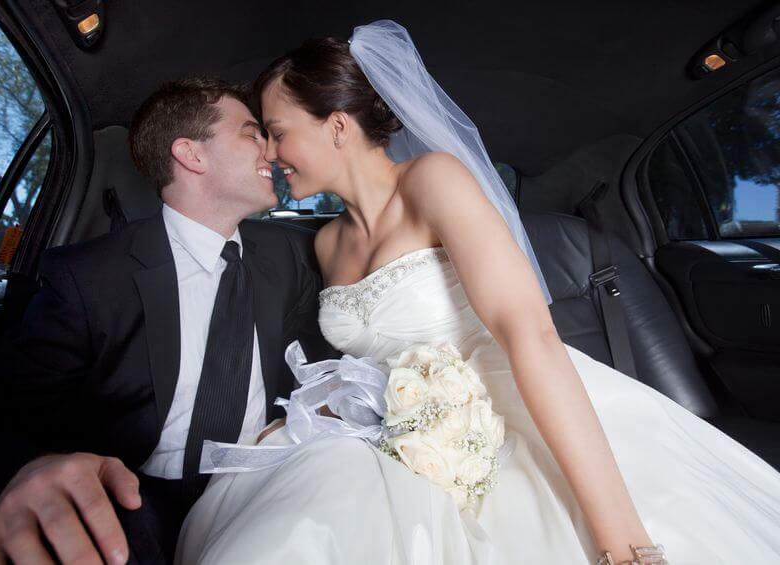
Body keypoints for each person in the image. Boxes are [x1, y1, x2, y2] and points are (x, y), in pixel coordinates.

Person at [176, 21, 780, 564]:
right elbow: (366, 364)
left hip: (509, 402)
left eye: (278, 132)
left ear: (336, 125)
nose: (271, 154)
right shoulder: (327, 244)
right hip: (391, 431)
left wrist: (622, 541)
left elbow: (531, 334)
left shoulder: (434, 179)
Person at [0, 77, 335, 564]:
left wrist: (295, 418)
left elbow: (324, 363)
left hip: (268, 482)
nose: (270, 148)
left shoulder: (293, 255)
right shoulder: (89, 277)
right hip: (142, 498)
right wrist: (33, 469)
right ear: (191, 155)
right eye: (251, 132)